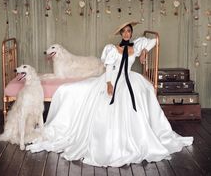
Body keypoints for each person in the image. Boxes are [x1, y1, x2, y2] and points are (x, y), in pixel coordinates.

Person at [26, 21, 193, 167]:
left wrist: (143, 52)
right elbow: (109, 68)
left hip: (130, 78)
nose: (127, 33)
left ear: (131, 33)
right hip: (113, 78)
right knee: (75, 92)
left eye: (129, 31)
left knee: (139, 91)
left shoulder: (137, 45)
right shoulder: (113, 49)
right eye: (124, 31)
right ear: (121, 34)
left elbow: (154, 40)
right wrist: (108, 83)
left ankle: (136, 138)